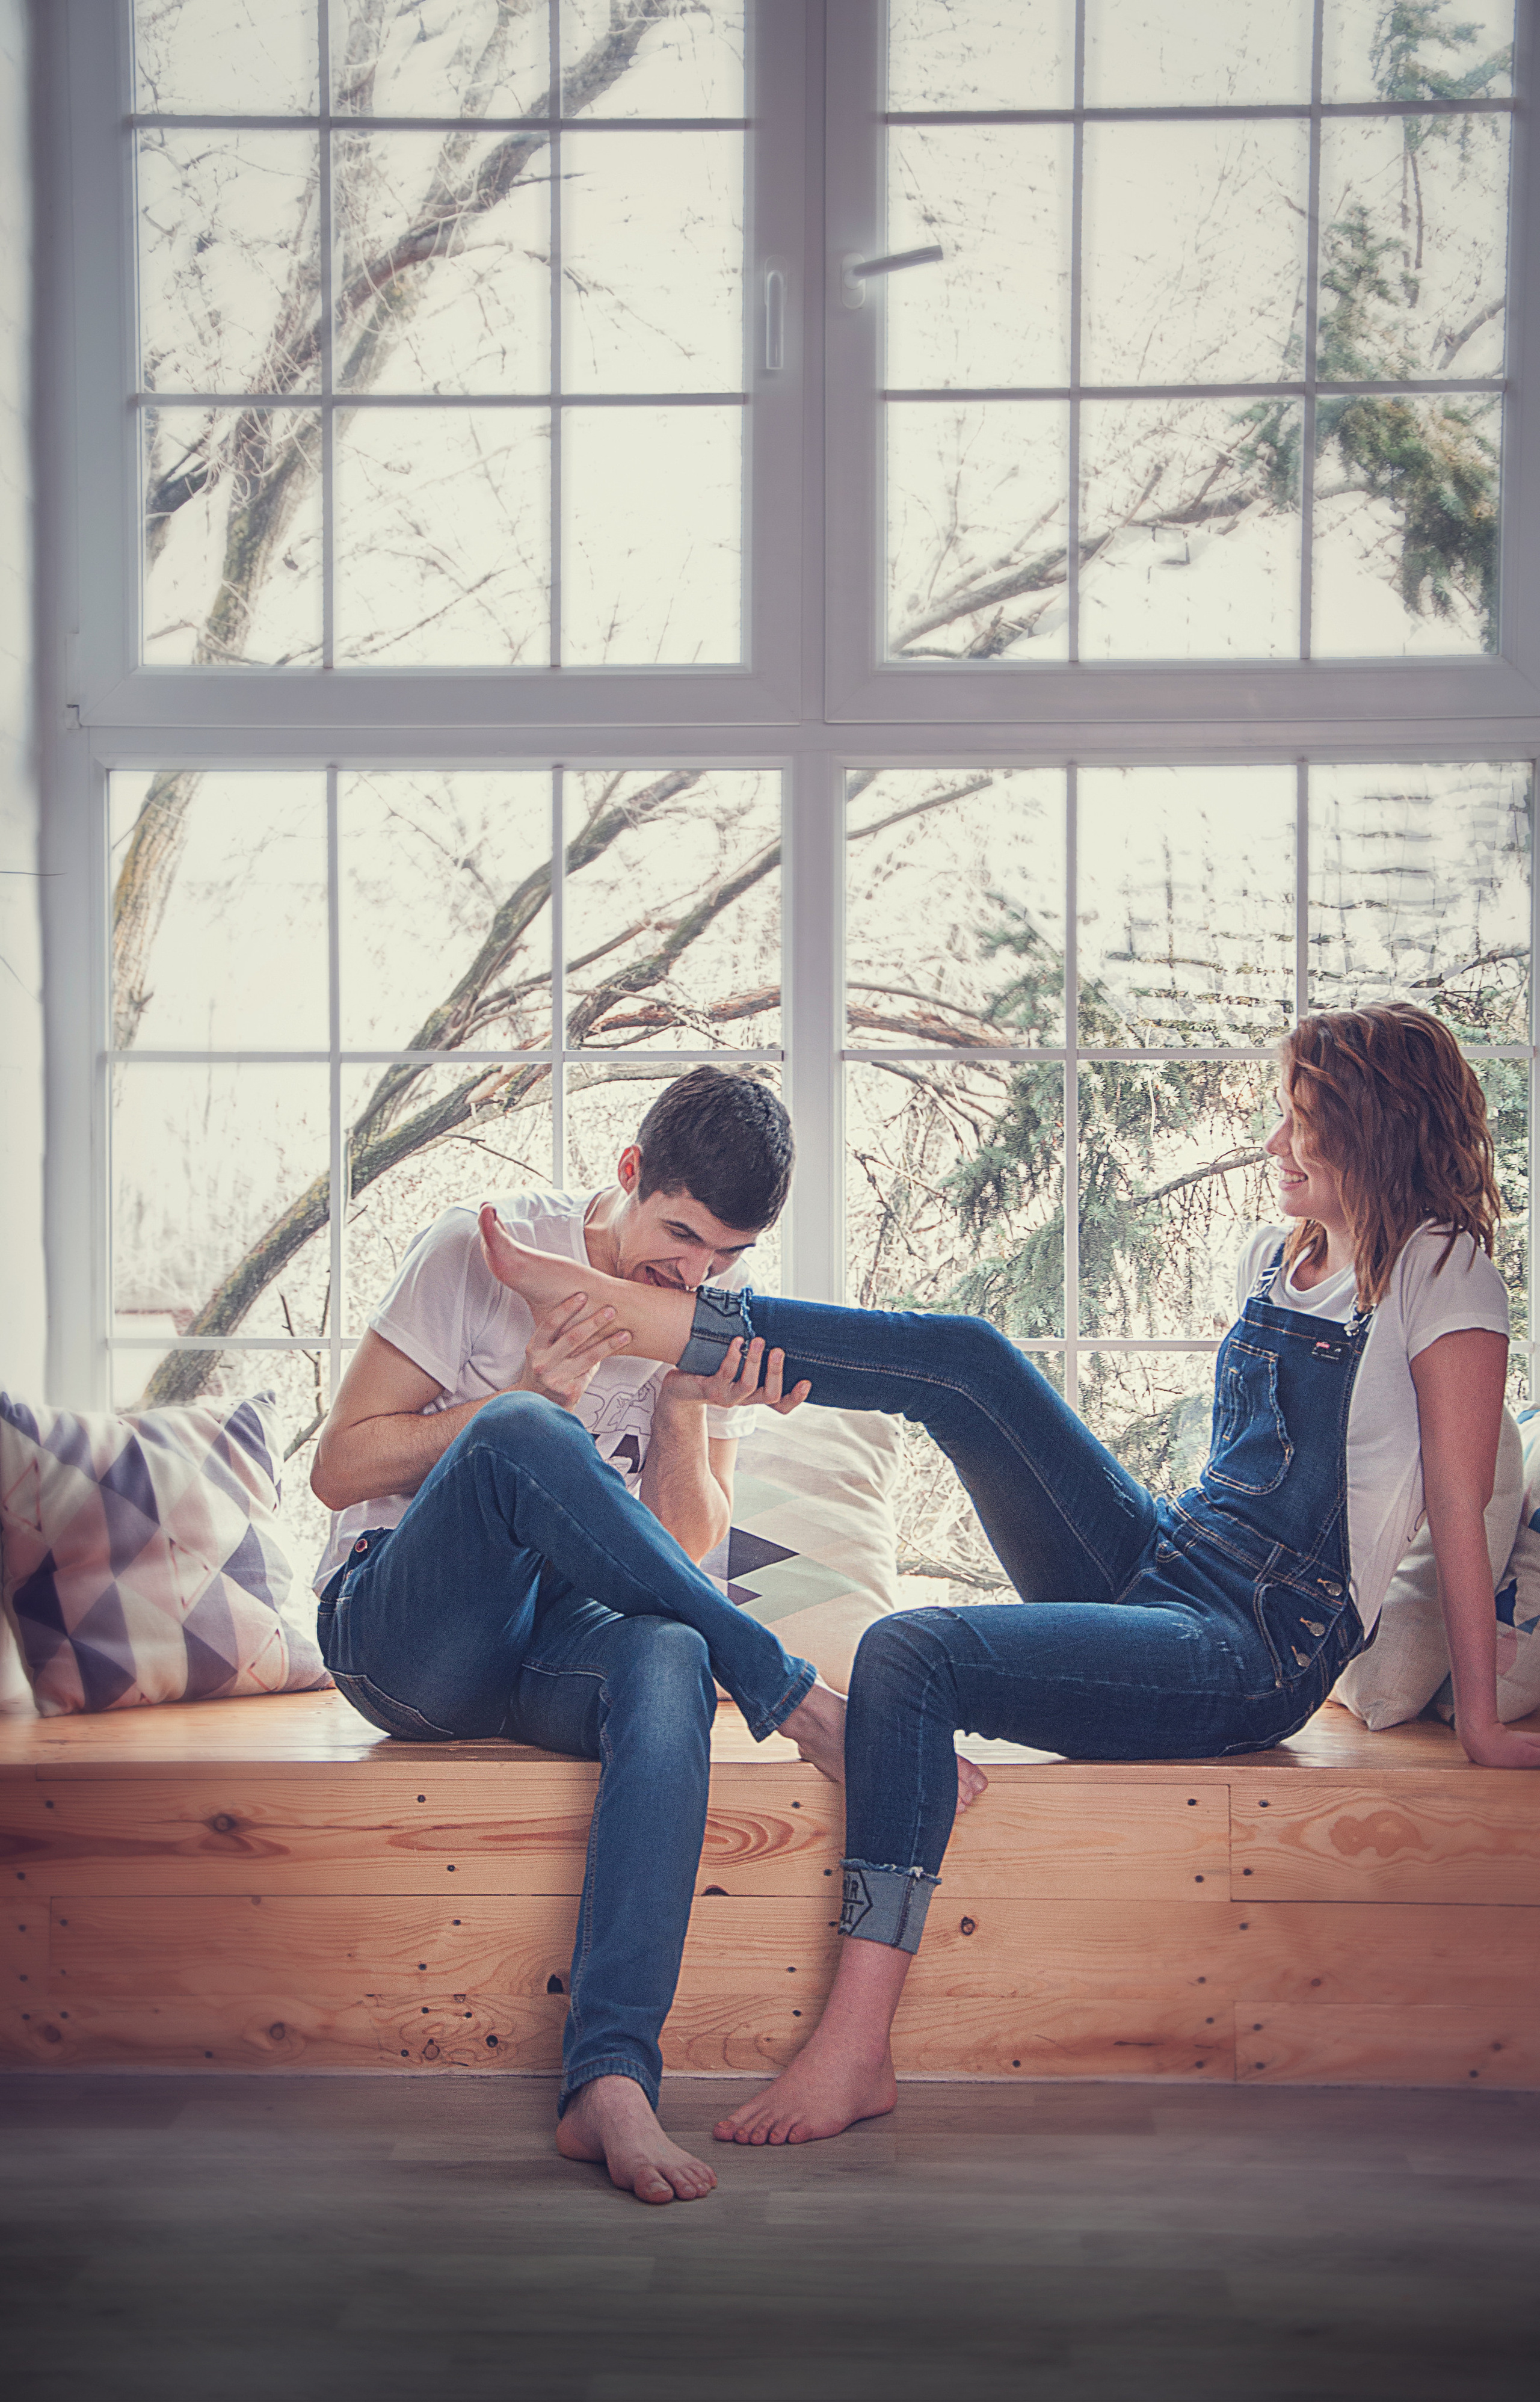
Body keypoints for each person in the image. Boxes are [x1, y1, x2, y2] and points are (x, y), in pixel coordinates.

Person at [476, 1003, 1540, 2149]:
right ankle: (645, 1319)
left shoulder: (1443, 1270)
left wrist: (1481, 1720)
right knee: (971, 1359)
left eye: (1300, 1119)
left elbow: (1458, 1502)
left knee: (907, 1650)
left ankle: (856, 2047)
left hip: (1258, 1645)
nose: (1273, 1142)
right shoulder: (1277, 1255)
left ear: (1375, 1127)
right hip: (1173, 1561)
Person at [308, 1065, 849, 2205]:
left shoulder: (701, 1319)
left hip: (547, 1642)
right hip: (398, 1634)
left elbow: (678, 1554)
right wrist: (526, 1404)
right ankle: (789, 1692)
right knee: (517, 1429)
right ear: (630, 1173)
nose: (693, 1276)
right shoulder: (478, 1249)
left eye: (725, 1259)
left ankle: (609, 2080)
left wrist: (683, 1403)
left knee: (674, 1650)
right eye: (681, 1236)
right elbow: (339, 1464)